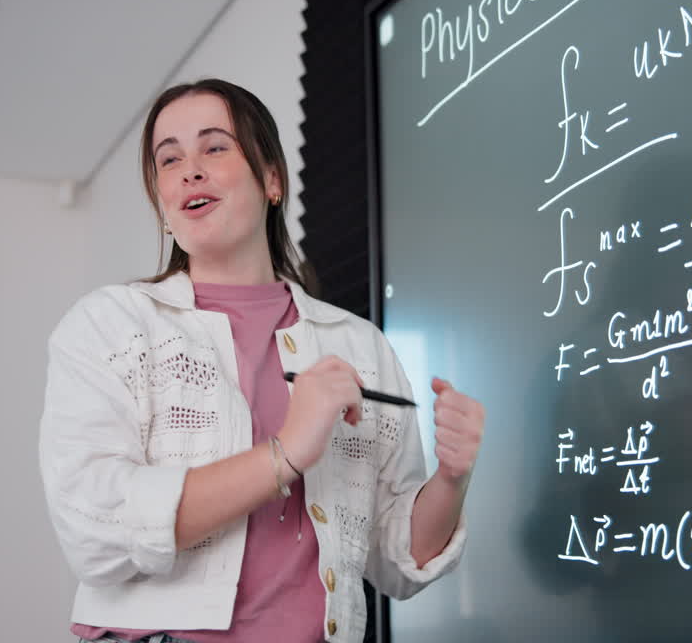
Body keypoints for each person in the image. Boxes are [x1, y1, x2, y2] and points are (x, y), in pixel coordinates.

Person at [39, 78, 486, 643]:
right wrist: (283, 456)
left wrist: (451, 479)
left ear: (272, 179)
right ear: (161, 200)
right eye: (168, 158)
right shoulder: (111, 324)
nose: (189, 170)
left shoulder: (359, 343)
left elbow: (396, 561)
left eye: (215, 147)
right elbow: (92, 528)